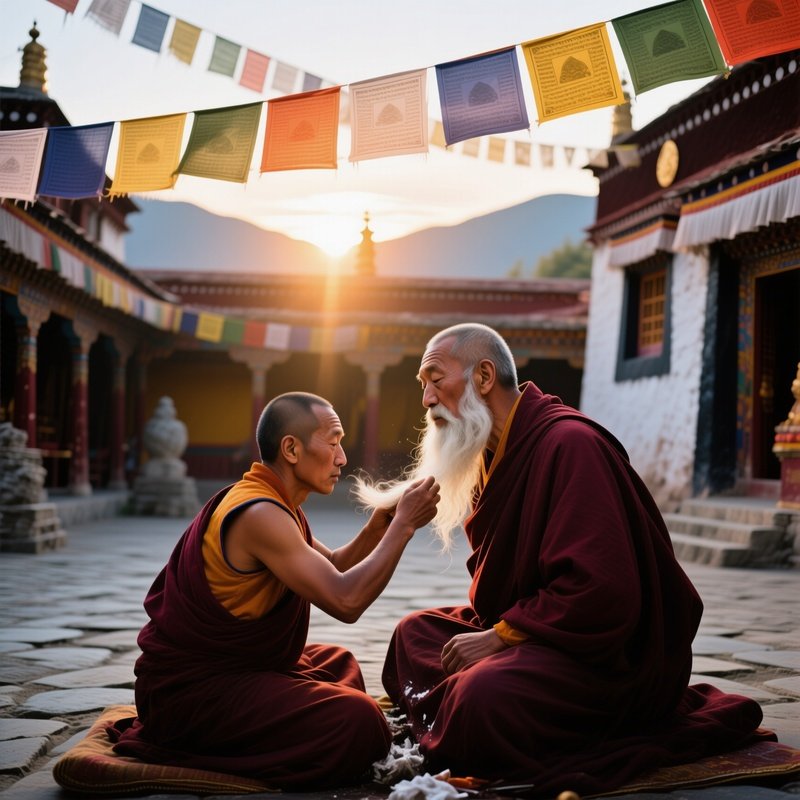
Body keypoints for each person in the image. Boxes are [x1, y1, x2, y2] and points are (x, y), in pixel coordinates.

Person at [353, 323, 768, 798]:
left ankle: (459, 715)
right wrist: (496, 633)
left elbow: (603, 591)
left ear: (484, 376)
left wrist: (501, 638)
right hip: (543, 630)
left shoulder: (568, 443)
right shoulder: (496, 450)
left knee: (481, 698)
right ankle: (456, 714)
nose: (426, 399)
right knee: (413, 634)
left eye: (434, 378)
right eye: (422, 385)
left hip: (603, 654)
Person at [110, 392, 440, 790]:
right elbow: (346, 600)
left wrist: (377, 528)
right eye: (333, 442)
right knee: (360, 720)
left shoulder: (275, 504)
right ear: (291, 449)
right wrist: (403, 526)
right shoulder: (259, 514)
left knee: (338, 663)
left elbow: (333, 565)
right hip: (192, 698)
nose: (342, 458)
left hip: (230, 673)